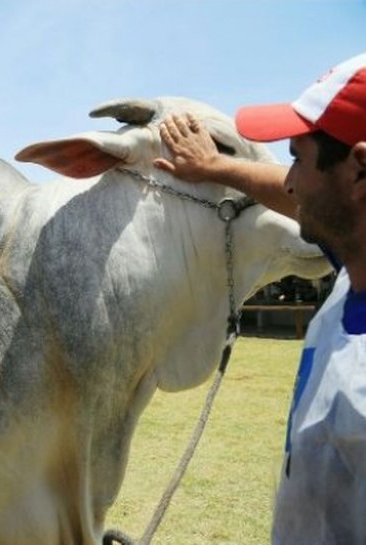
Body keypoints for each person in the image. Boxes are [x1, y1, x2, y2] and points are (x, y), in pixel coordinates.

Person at [154, 53, 366, 544]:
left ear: (359, 172)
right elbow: (303, 199)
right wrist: (215, 166)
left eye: (298, 157)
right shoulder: (351, 268)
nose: (288, 180)